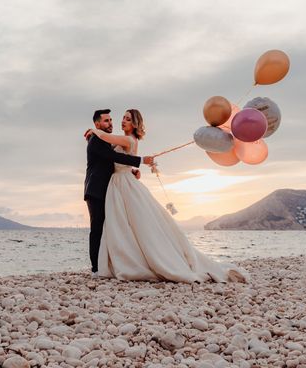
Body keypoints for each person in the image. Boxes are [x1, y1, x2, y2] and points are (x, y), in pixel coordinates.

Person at [86, 109, 248, 283]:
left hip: (122, 186)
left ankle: (134, 260)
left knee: (131, 224)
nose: (121, 121)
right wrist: (133, 169)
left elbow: (109, 146)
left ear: (134, 124)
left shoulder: (126, 139)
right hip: (117, 185)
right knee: (122, 225)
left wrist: (94, 131)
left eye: (127, 119)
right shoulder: (119, 139)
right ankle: (119, 260)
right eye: (122, 118)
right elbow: (114, 158)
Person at [84, 109, 155, 276]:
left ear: (134, 123)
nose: (113, 123)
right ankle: (96, 268)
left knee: (117, 226)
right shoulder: (96, 139)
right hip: (96, 189)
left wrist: (131, 171)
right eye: (106, 121)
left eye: (111, 120)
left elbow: (114, 162)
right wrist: (140, 161)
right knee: (97, 228)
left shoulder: (116, 139)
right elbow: (113, 157)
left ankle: (115, 263)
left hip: (112, 188)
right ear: (97, 124)